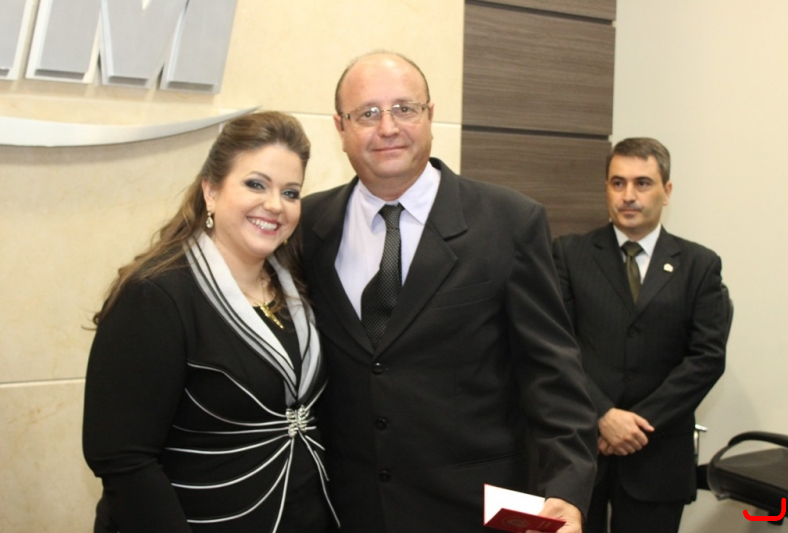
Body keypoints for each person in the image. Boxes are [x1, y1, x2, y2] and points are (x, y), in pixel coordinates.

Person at [301, 51, 597, 533]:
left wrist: (566, 488)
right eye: (367, 113)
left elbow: (552, 375)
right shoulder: (307, 227)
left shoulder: (509, 221)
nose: (388, 128)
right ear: (340, 127)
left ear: (430, 115)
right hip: (346, 509)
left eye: (404, 108)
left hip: (474, 509)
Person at [82, 111, 338, 533]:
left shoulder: (297, 286)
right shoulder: (156, 295)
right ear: (211, 191)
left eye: (290, 192)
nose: (275, 205)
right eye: (256, 184)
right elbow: (123, 460)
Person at [552, 137, 727, 533]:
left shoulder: (699, 265)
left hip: (658, 454)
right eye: (618, 183)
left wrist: (637, 424)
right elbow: (557, 348)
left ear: (667, 191)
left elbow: (707, 358)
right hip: (580, 449)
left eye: (642, 183)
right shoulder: (568, 254)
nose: (628, 195)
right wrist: (603, 414)